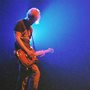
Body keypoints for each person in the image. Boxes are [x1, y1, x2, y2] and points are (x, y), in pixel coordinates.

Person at [14, 8, 44, 90]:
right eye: (34, 20)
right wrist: (27, 51)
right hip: (20, 53)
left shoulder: (31, 29)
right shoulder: (20, 23)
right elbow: (17, 38)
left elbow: (28, 44)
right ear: (30, 17)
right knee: (35, 72)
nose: (34, 23)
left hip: (27, 55)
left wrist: (35, 53)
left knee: (24, 77)